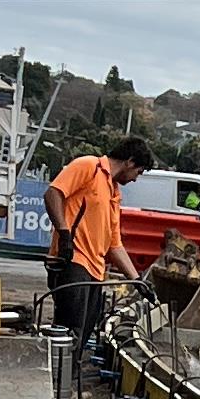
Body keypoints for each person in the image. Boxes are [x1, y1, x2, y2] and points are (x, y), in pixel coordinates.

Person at [44, 135, 152, 345]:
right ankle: (58, 377)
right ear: (129, 161)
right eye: (138, 172)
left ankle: (70, 376)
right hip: (73, 262)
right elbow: (53, 193)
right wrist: (64, 234)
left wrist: (138, 280)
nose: (135, 179)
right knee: (69, 332)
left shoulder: (113, 193)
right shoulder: (89, 167)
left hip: (95, 271)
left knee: (83, 333)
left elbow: (115, 245)